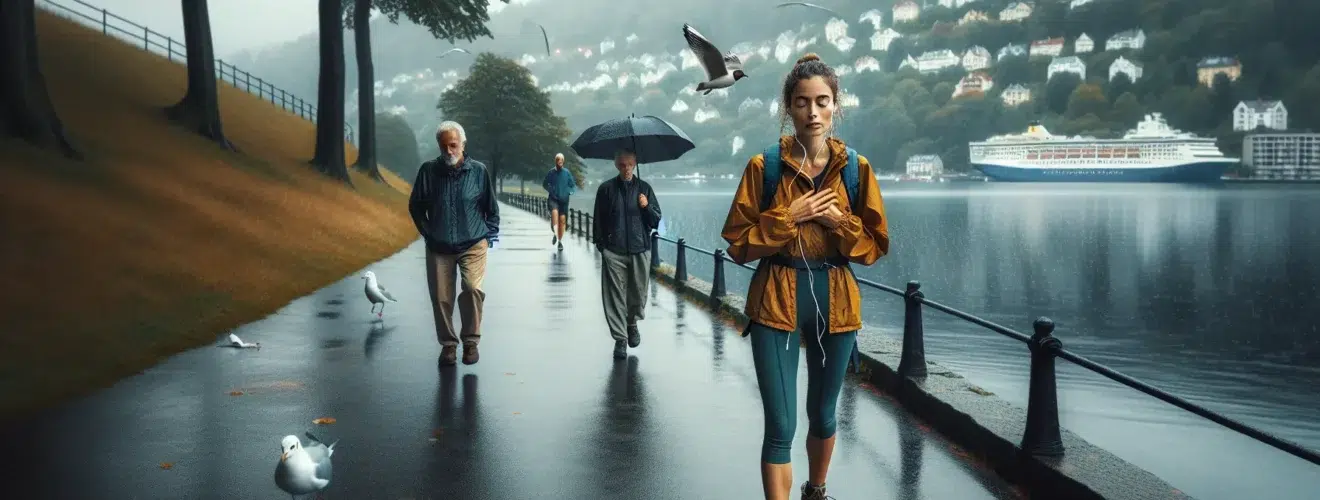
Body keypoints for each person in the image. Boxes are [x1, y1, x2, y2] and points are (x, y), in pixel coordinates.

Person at [720, 53, 889, 500]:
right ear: (788, 107)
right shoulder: (765, 167)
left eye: (822, 101)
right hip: (775, 299)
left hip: (837, 301)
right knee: (780, 425)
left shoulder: (855, 169)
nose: (812, 112)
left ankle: (816, 490)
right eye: (801, 102)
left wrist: (840, 224)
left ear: (836, 105)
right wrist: (785, 218)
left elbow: (873, 249)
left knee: (824, 413)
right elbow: (737, 246)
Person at [408, 121, 500, 367]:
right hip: (439, 246)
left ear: (462, 144)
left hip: (473, 243)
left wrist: (490, 237)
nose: (448, 151)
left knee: (471, 289)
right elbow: (415, 206)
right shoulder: (428, 171)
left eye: (453, 145)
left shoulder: (479, 171)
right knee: (441, 297)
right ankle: (448, 346)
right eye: (443, 146)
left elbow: (491, 209)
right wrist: (428, 234)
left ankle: (470, 341)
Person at [591, 148, 662, 360]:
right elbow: (598, 221)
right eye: (622, 164)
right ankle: (620, 339)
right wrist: (601, 246)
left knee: (638, 293)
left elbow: (655, 220)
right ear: (616, 165)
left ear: (635, 163)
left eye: (629, 164)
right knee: (614, 296)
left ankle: (632, 323)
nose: (626, 168)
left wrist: (646, 206)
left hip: (640, 249)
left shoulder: (645, 189)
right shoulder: (606, 190)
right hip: (614, 250)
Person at [542, 152, 576, 251]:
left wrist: (569, 192)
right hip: (553, 199)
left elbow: (573, 186)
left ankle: (559, 241)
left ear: (563, 161)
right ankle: (554, 230)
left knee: (562, 220)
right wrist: (551, 190)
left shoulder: (567, 173)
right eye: (557, 160)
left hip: (564, 200)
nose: (559, 162)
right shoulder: (551, 172)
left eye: (561, 161)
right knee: (554, 213)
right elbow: (545, 184)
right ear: (555, 161)